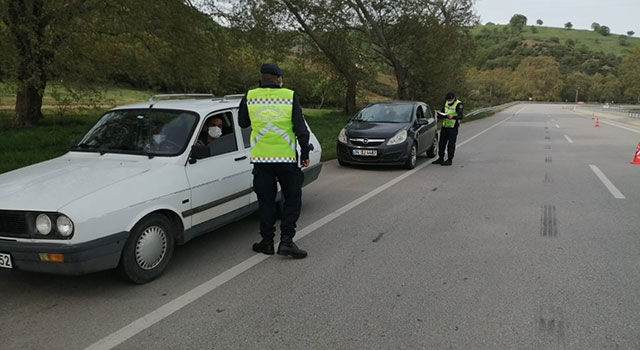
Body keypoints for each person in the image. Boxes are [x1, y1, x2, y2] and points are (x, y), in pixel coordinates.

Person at [238, 63, 311, 259]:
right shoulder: (290, 96)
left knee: (266, 201)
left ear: (261, 79)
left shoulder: (250, 96)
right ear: (279, 79)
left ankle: (267, 242)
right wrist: (305, 153)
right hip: (286, 159)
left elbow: (242, 123)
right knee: (292, 198)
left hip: (261, 160)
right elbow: (300, 128)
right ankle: (287, 241)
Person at [432, 91, 463, 166]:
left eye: (450, 100)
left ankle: (449, 160)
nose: (448, 101)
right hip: (445, 125)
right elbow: (443, 112)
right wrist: (439, 113)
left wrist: (453, 117)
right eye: (448, 100)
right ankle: (441, 158)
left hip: (453, 127)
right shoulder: (446, 102)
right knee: (441, 143)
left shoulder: (459, 104)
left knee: (451, 144)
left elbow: (460, 116)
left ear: (453, 98)